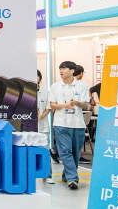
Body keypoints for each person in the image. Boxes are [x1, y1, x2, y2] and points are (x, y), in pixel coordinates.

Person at [49, 61, 90, 190]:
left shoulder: (82, 86)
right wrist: (65, 105)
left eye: (64, 68)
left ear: (72, 71)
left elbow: (85, 105)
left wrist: (77, 103)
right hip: (60, 124)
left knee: (74, 153)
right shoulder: (55, 86)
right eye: (60, 69)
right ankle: (73, 178)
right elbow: (52, 104)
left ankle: (66, 175)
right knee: (65, 151)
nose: (61, 71)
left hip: (78, 124)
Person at [36, 70, 54, 184]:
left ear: (39, 77)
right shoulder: (25, 90)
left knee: (45, 150)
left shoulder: (45, 91)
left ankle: (47, 175)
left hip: (43, 126)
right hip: (27, 127)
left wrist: (42, 116)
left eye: (36, 75)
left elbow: (49, 107)